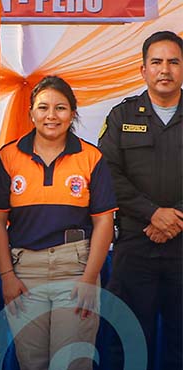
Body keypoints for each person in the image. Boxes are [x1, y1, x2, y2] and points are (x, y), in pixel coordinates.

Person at [0, 75, 117, 370]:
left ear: (72, 113)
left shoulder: (91, 157)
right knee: (32, 362)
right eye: (43, 107)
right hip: (24, 271)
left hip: (76, 268)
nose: (51, 116)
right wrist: (7, 275)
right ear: (31, 112)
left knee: (71, 362)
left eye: (61, 108)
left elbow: (105, 223)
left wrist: (88, 280)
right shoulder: (8, 156)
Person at [98, 31, 183, 370]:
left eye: (174, 62)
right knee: (129, 341)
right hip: (135, 244)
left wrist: (175, 216)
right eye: (157, 62)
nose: (165, 70)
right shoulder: (122, 116)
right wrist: (152, 214)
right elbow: (107, 174)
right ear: (143, 70)